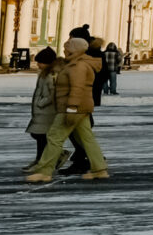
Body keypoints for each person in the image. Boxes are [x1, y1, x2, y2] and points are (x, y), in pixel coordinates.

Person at [24, 36, 108, 182]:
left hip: (72, 107)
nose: (64, 51)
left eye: (67, 48)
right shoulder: (77, 64)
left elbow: (77, 88)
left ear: (74, 50)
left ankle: (44, 171)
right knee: (87, 139)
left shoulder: (78, 66)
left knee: (54, 137)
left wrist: (71, 108)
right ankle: (99, 169)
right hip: (80, 108)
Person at [25, 47, 59, 171]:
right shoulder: (45, 74)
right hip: (42, 111)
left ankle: (43, 159)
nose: (38, 65)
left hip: (47, 111)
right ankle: (43, 158)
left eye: (40, 62)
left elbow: (53, 93)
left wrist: (41, 102)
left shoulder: (50, 76)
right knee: (39, 135)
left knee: (41, 136)